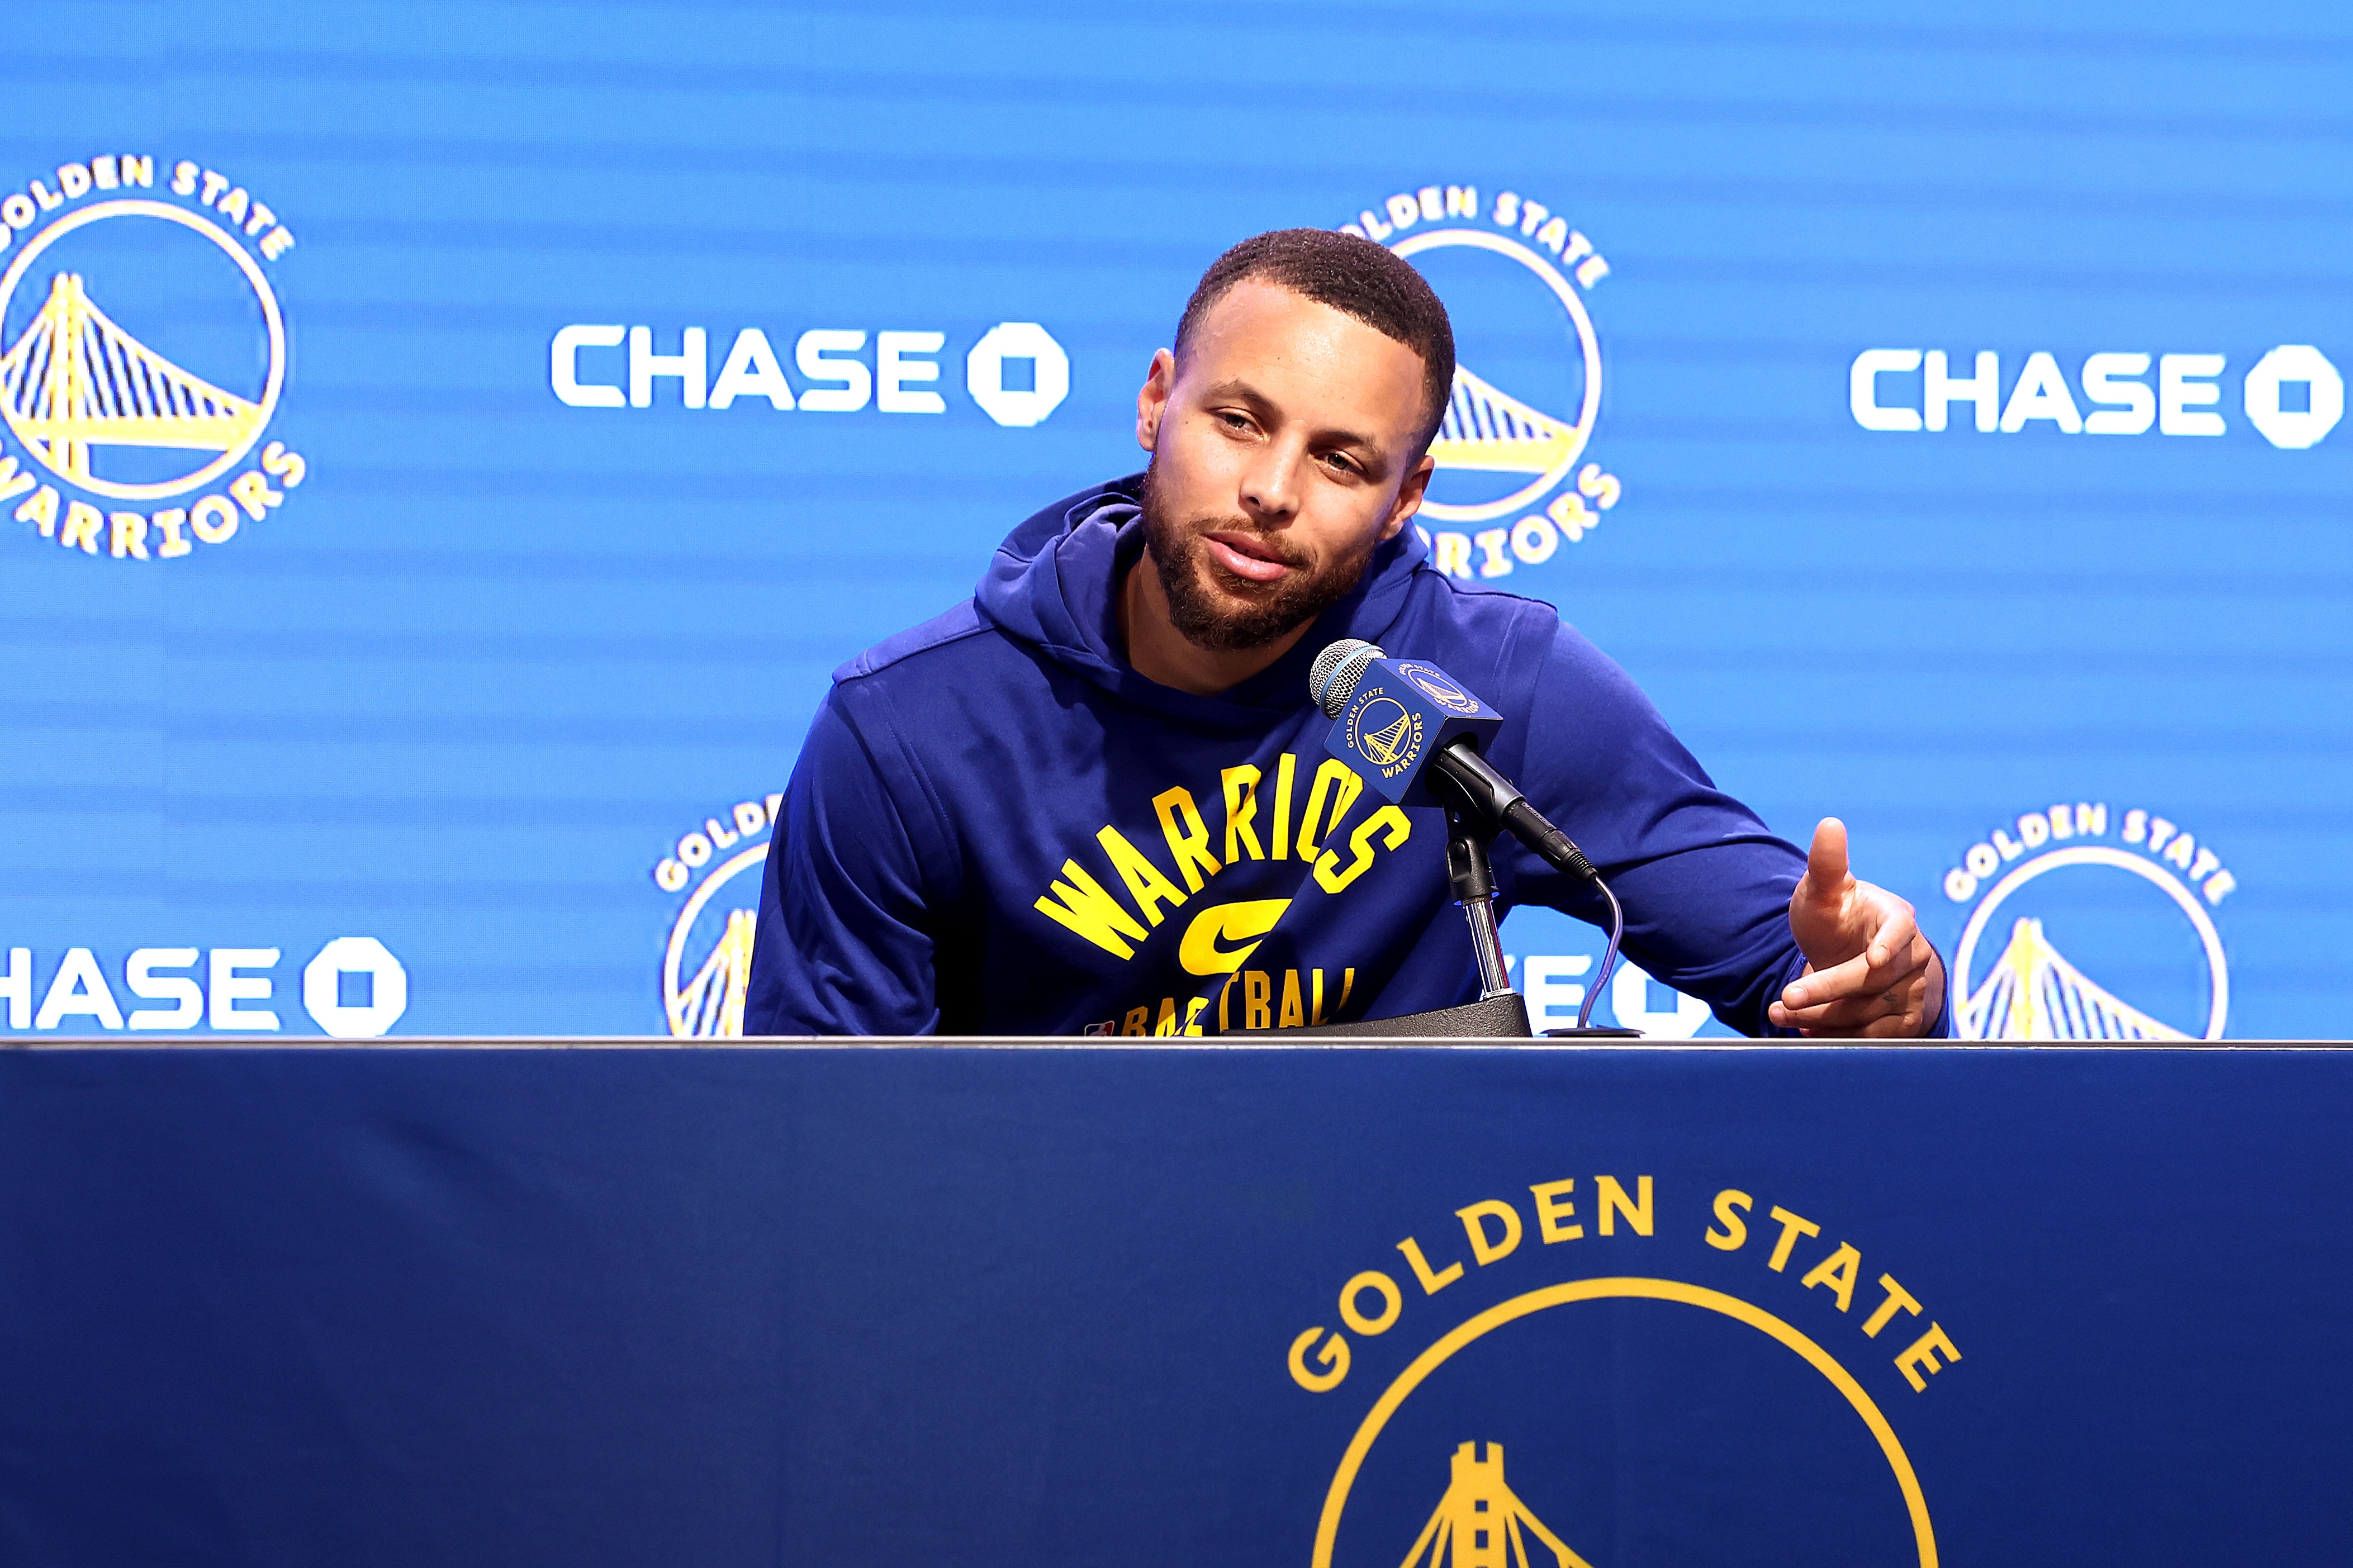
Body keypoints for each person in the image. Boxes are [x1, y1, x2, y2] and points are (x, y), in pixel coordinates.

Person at [744, 229, 1946, 1038]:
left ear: (1406, 495)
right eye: (1236, 420)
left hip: (1408, 1300)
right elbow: (815, 1147)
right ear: (1156, 400)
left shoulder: (1491, 684)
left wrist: (1885, 979)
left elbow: (1819, 981)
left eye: (1339, 459)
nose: (1270, 491)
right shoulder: (909, 730)